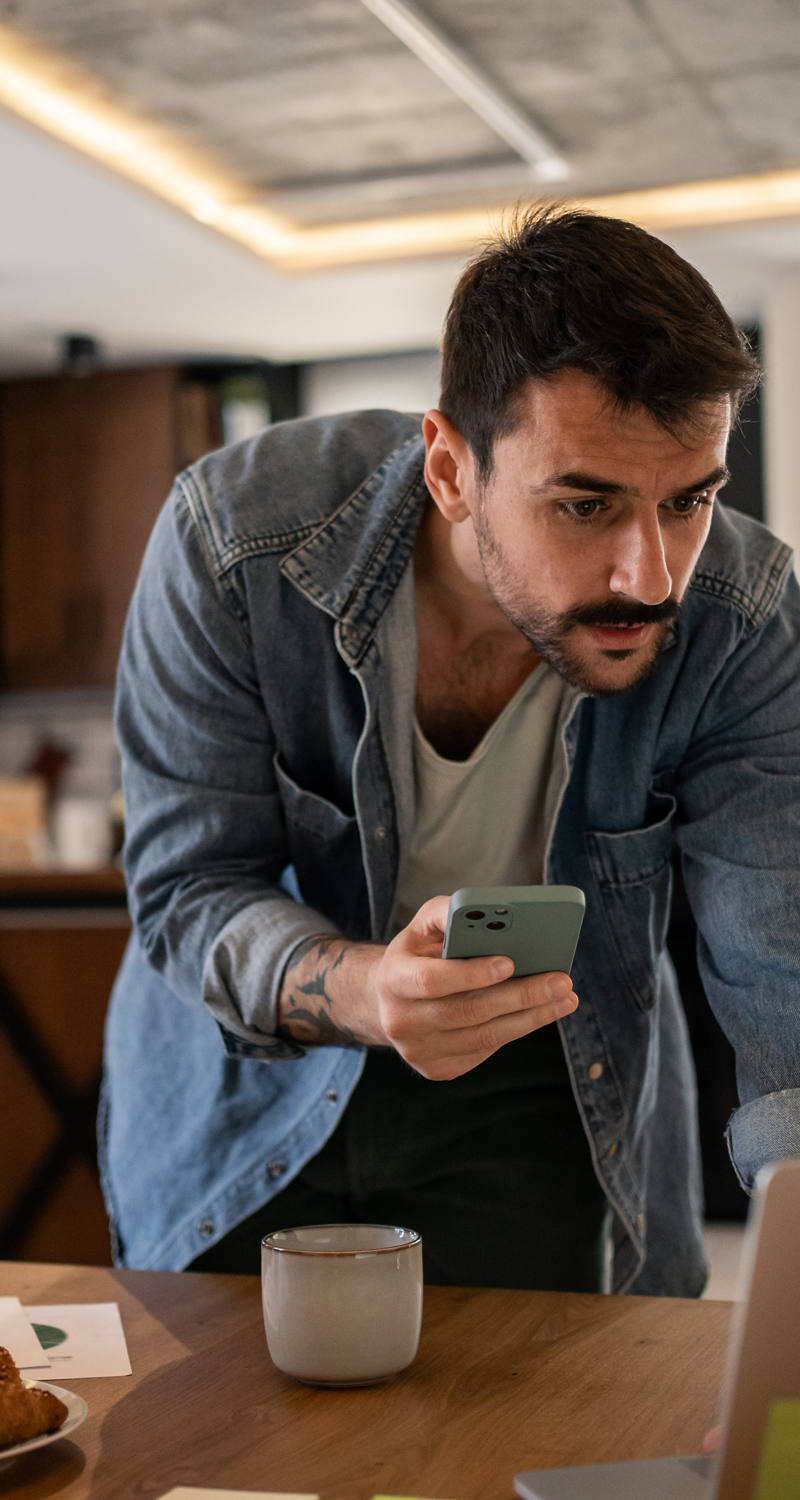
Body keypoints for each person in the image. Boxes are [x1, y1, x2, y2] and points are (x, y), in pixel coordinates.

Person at [99, 205, 800, 1295]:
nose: (650, 575)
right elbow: (189, 890)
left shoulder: (739, 618)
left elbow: (779, 955)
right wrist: (369, 991)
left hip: (549, 1077)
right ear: (449, 470)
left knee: (533, 1406)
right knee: (229, 1407)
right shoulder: (234, 544)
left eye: (687, 501)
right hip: (244, 1089)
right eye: (585, 504)